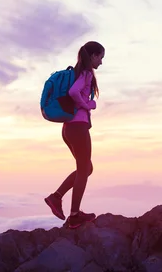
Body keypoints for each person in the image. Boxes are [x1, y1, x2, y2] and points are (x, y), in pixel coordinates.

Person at [44, 41, 105, 229]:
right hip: (77, 127)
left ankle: (56, 198)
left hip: (68, 128)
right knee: (84, 169)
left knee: (86, 168)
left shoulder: (76, 73)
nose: (101, 63)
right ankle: (74, 215)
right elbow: (73, 92)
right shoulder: (85, 74)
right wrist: (87, 105)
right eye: (100, 58)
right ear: (93, 56)